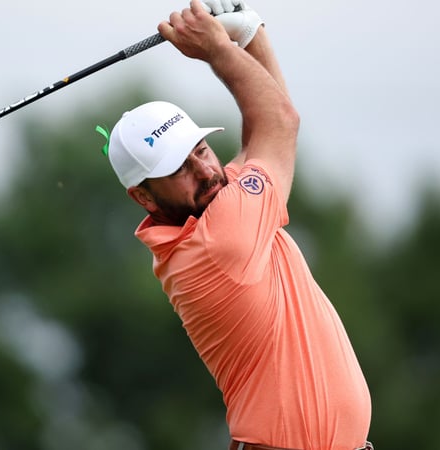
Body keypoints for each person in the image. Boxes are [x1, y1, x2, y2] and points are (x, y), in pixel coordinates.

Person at [103, 1, 373, 449]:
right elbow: (279, 122)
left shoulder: (210, 212)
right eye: (178, 169)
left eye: (201, 149)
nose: (206, 170)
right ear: (144, 197)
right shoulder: (219, 242)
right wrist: (218, 50)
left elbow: (266, 128)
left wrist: (249, 35)